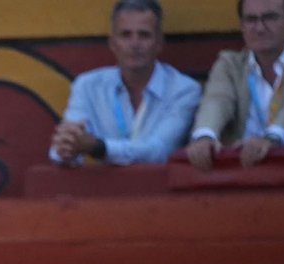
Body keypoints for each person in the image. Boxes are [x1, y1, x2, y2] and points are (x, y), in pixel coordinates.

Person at [49, 0, 201, 166]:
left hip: (157, 190)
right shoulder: (87, 86)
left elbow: (158, 151)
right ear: (113, 43)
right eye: (125, 35)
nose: (134, 44)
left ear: (159, 43)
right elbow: (61, 153)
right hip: (103, 190)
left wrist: (98, 147)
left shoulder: (184, 90)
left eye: (144, 35)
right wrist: (66, 147)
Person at [186, 0, 284, 170]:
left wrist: (273, 138)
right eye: (251, 19)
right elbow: (217, 100)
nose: (260, 28)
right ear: (242, 26)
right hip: (244, 175)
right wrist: (204, 135)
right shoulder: (230, 64)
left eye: (270, 18)